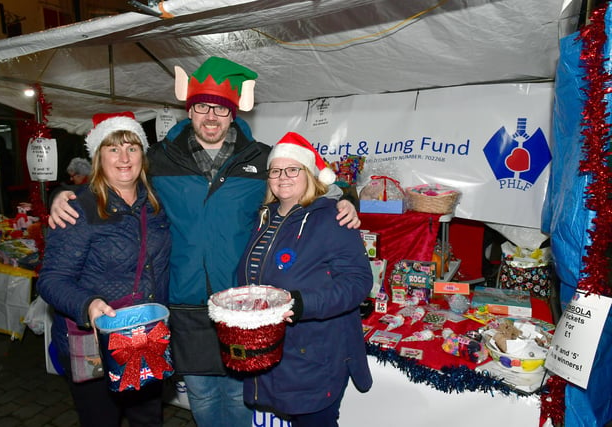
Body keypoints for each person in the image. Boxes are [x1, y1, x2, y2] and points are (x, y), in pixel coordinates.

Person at [48, 56, 360, 427]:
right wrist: (63, 194)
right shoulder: (158, 159)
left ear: (233, 113)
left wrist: (345, 200)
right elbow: (116, 176)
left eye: (220, 109)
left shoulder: (260, 158)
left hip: (240, 305)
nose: (211, 117)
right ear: (189, 109)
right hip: (183, 303)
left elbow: (308, 180)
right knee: (202, 396)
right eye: (201, 107)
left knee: (239, 395)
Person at [38, 112, 172, 427]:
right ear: (98, 156)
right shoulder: (79, 209)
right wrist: (87, 305)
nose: (124, 157)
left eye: (132, 147)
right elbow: (51, 280)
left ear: (143, 154)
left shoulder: (156, 205)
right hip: (96, 343)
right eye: (113, 149)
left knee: (149, 419)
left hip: (147, 337)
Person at [237, 131, 373, 427]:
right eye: (275, 170)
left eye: (292, 169)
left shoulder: (331, 218)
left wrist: (301, 303)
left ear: (309, 174)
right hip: (274, 351)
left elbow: (359, 281)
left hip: (315, 356)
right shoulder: (265, 217)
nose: (282, 177)